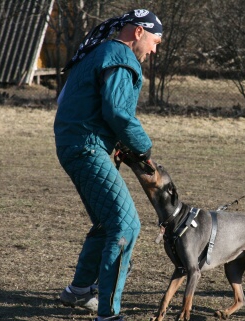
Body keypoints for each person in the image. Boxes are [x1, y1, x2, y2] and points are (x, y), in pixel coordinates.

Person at [53, 9, 162, 321]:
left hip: (79, 145)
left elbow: (76, 104)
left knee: (107, 221)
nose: (155, 50)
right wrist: (143, 148)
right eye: (155, 41)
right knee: (127, 225)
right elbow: (117, 113)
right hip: (88, 149)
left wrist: (118, 146)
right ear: (138, 33)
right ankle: (109, 314)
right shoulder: (119, 56)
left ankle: (79, 290)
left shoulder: (99, 52)